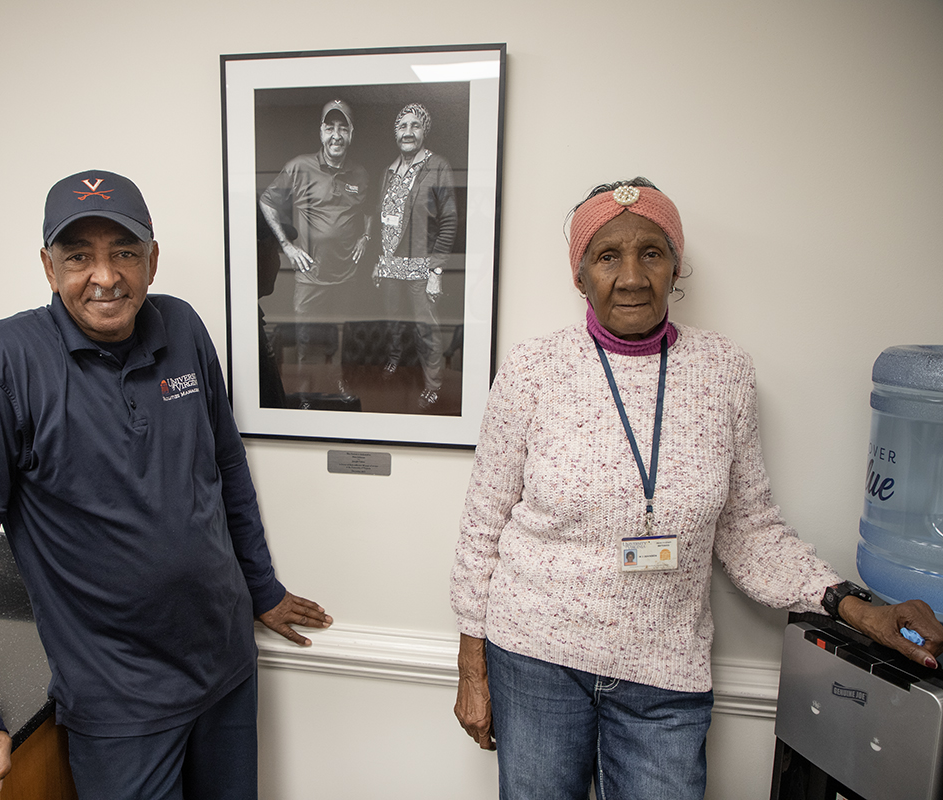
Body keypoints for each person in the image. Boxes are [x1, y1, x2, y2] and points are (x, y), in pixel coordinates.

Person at [450, 178, 943, 800]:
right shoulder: (532, 369)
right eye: (608, 256)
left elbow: (750, 530)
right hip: (535, 659)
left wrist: (855, 604)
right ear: (580, 276)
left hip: (665, 670)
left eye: (651, 253)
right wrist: (473, 666)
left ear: (676, 266)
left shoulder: (724, 370)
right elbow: (481, 525)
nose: (631, 276)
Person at [0, 170, 332, 800]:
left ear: (153, 260)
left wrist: (261, 588)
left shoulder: (184, 328)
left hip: (226, 669)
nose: (106, 276)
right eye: (79, 256)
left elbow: (225, 470)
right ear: (48, 265)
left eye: (125, 254)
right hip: (119, 701)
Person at [260, 100, 372, 391]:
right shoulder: (299, 167)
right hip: (311, 280)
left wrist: (366, 237)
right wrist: (287, 245)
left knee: (345, 345)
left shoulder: (360, 173)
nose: (336, 135)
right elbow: (267, 202)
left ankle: (339, 394)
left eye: (343, 128)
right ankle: (308, 399)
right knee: (308, 348)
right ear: (321, 132)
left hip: (348, 279)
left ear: (352, 133)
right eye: (330, 127)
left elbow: (371, 210)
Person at [372, 103, 458, 410]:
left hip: (422, 267)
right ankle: (395, 362)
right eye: (402, 126)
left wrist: (436, 272)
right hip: (390, 265)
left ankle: (433, 385)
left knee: (426, 330)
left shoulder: (438, 166)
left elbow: (449, 220)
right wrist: (379, 260)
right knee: (394, 323)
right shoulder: (388, 171)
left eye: (415, 126)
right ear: (396, 133)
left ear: (425, 131)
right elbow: (383, 218)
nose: (408, 132)